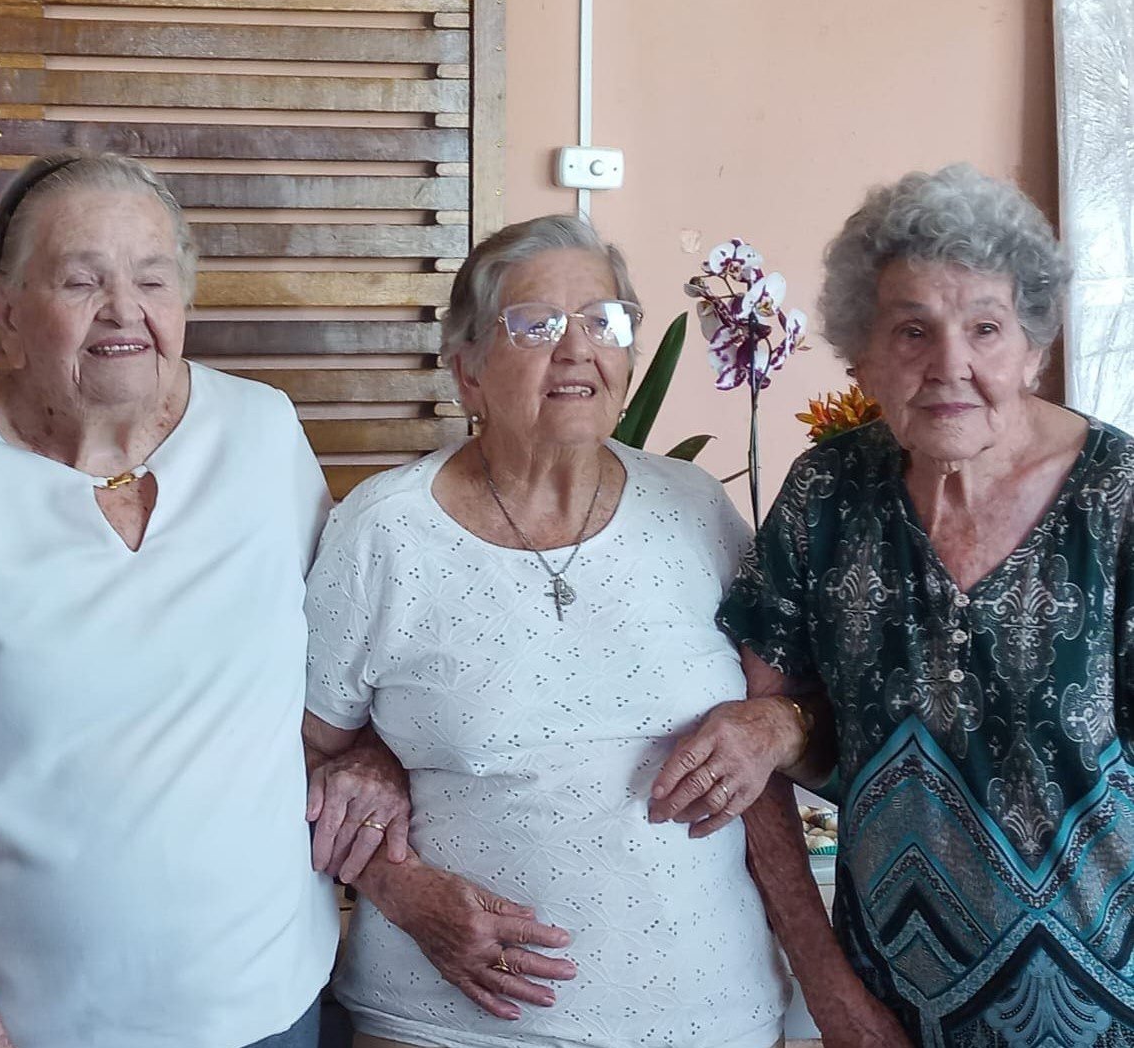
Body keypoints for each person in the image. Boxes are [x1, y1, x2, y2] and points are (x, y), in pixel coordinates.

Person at [0, 152, 340, 1048]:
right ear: (6, 308)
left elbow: (347, 671)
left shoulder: (265, 433)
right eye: (82, 280)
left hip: (263, 1003)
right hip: (23, 1023)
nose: (125, 310)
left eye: (152, 278)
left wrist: (373, 762)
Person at [302, 214, 798, 1048]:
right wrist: (401, 886)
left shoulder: (695, 509)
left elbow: (782, 724)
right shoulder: (384, 531)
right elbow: (301, 753)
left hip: (711, 1014)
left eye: (604, 321)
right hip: (447, 1023)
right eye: (535, 325)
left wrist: (780, 723)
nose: (577, 350)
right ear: (466, 371)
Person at [667, 163, 1134, 1046]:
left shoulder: (1119, 503)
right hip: (885, 1011)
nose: (950, 365)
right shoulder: (826, 496)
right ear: (861, 352)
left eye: (986, 328)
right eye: (912, 330)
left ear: (1034, 344)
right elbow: (758, 738)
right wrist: (829, 988)